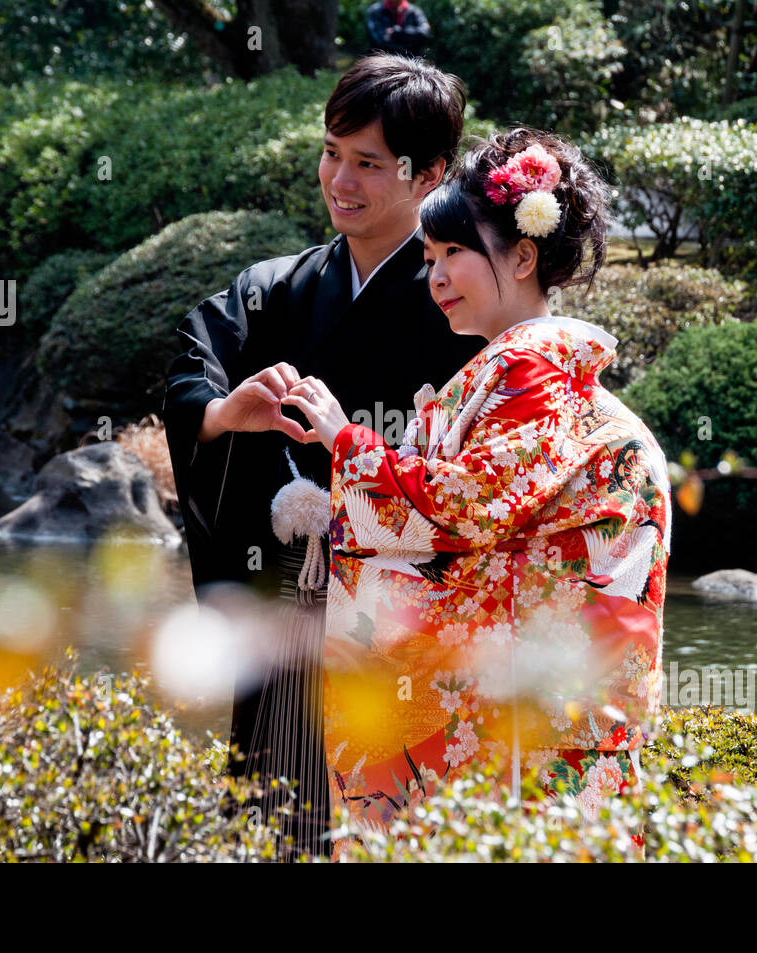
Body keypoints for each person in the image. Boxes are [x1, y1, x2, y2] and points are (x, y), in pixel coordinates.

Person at [275, 128, 672, 860]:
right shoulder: (528, 370)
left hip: (540, 700)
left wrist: (344, 441)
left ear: (523, 256)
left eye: (455, 252)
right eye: (429, 259)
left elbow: (467, 507)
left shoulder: (529, 366)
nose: (436, 275)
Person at [161, 53, 485, 861]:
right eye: (331, 153)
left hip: (403, 625)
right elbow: (188, 371)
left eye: (368, 163)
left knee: (392, 822)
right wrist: (222, 417)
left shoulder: (463, 306)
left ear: (430, 172)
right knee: (278, 823)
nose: (339, 179)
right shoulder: (277, 289)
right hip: (285, 608)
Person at [366, 0, 432, 56]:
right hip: (383, 60)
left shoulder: (414, 11)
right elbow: (378, 41)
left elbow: (425, 32)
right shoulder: (375, 11)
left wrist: (398, 33)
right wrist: (408, 41)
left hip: (412, 61)